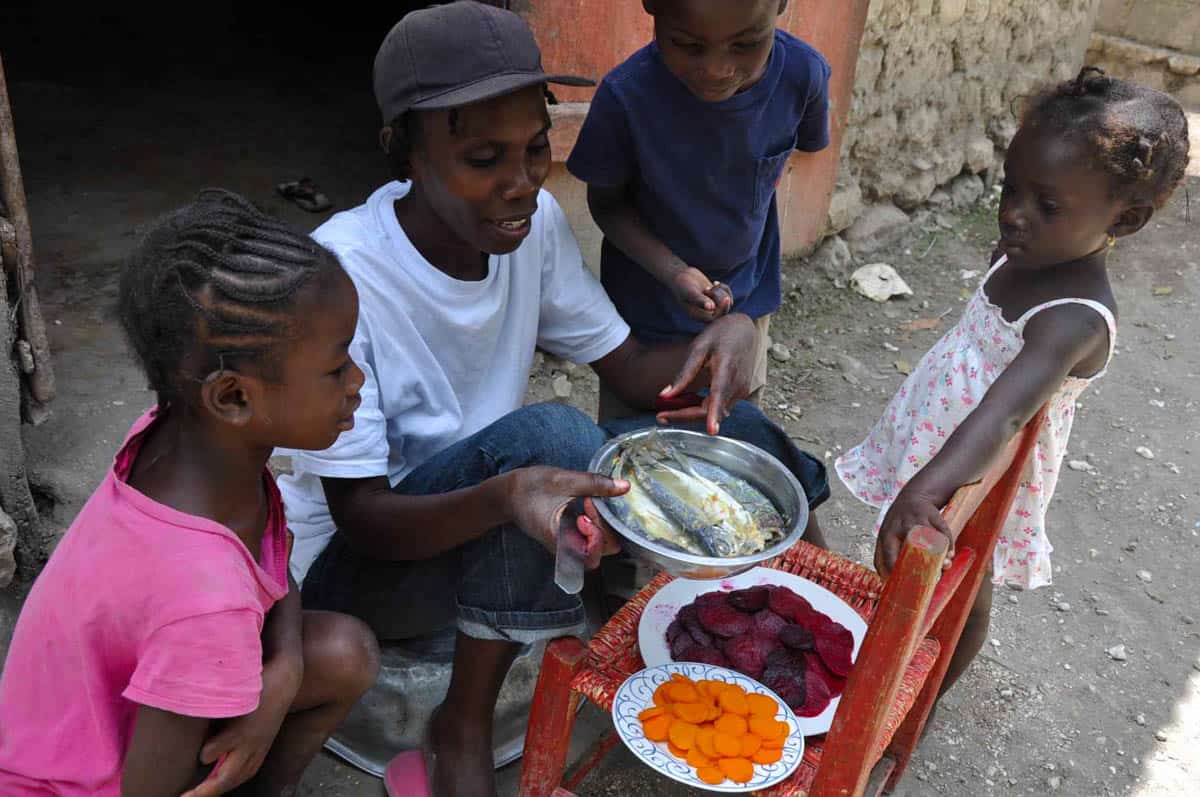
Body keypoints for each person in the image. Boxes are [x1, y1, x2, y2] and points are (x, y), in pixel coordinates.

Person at [275, 4, 829, 795]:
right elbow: (362, 517)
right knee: (551, 440)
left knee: (734, 430)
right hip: (355, 573)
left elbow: (635, 366)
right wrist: (507, 496)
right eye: (482, 157)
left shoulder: (529, 230)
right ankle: (460, 723)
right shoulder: (344, 276)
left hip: (467, 523)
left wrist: (727, 340)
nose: (522, 182)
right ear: (402, 150)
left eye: (536, 149)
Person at [0, 190, 380, 796]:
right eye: (337, 369)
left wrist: (284, 672)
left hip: (110, 723)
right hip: (80, 784)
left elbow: (265, 569)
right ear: (233, 397)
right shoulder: (202, 598)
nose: (357, 382)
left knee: (343, 651)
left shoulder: (186, 448)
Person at [836, 68, 1190, 699]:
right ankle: (883, 663)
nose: (1015, 215)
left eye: (1046, 205)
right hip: (943, 438)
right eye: (1011, 190)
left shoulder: (1074, 319)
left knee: (963, 590)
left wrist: (926, 489)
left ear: (1127, 218)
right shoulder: (1023, 250)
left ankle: (919, 701)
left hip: (987, 469)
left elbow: (1001, 417)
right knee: (912, 570)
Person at [566, 0, 831, 418]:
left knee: (732, 427)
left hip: (745, 305)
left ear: (781, 6)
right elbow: (607, 204)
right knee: (636, 442)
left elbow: (799, 153)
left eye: (745, 44)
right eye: (688, 45)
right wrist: (673, 271)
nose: (715, 69)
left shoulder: (802, 76)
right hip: (645, 317)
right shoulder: (625, 98)